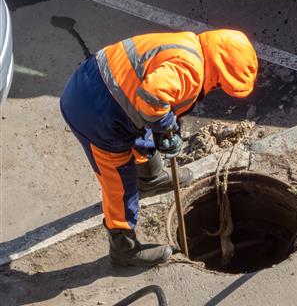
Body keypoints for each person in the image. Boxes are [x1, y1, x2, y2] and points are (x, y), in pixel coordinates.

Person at [60, 29, 258, 267]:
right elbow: (153, 98)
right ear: (218, 70)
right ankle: (124, 248)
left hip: (96, 84)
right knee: (119, 183)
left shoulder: (188, 43)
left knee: (143, 132)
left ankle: (151, 178)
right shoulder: (192, 69)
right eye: (220, 84)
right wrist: (165, 126)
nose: (217, 88)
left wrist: (165, 128)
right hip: (96, 112)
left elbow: (151, 96)